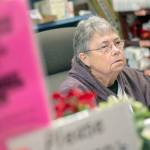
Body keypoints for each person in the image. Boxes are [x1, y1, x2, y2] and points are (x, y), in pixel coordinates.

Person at [59, 16, 150, 107]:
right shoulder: (72, 93)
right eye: (104, 47)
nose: (116, 50)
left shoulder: (131, 75)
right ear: (85, 58)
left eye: (117, 43)